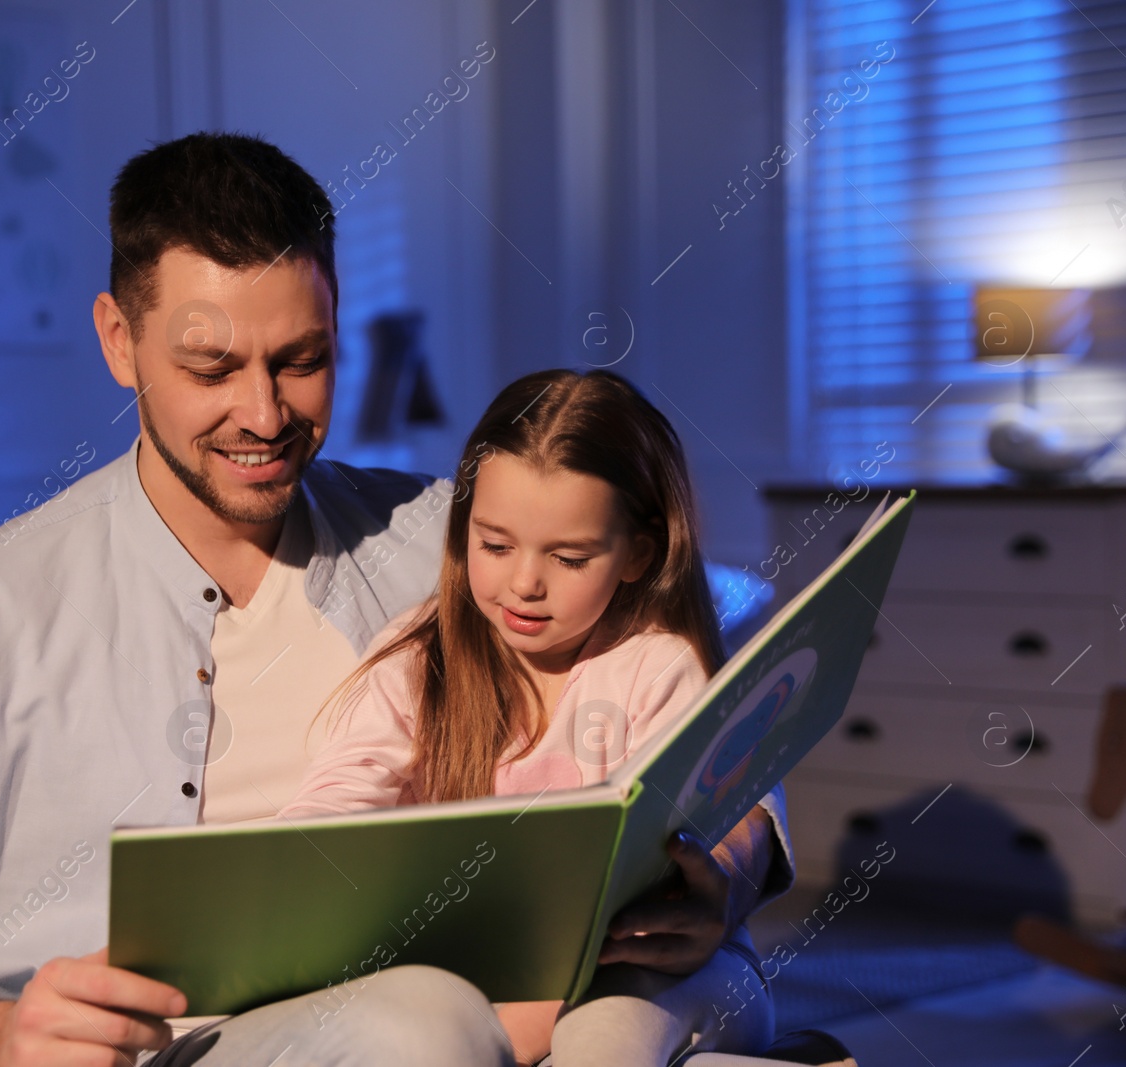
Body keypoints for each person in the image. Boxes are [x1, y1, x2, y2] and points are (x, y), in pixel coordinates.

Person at [0, 132, 789, 1067]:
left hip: (478, 1006)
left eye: (302, 361)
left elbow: (693, 618)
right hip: (189, 1049)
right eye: (210, 366)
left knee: (642, 1005)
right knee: (416, 1020)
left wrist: (721, 868)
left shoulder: (445, 541)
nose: (264, 413)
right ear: (119, 340)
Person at [282, 370, 793, 1066]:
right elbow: (339, 794)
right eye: (495, 545)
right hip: (488, 970)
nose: (524, 583)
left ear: (638, 554)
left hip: (664, 971)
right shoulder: (418, 657)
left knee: (600, 1035)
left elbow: (690, 840)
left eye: (569, 557)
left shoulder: (659, 666)